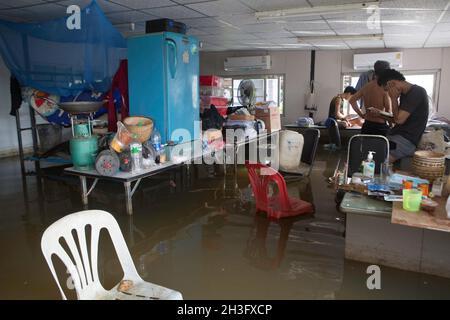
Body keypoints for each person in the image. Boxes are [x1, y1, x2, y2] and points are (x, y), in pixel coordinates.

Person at [374, 69, 429, 163]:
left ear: (391, 83)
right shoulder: (404, 94)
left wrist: (393, 98)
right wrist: (380, 114)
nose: (388, 93)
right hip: (397, 137)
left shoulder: (417, 92)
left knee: (376, 162)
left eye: (387, 90)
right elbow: (396, 118)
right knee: (370, 152)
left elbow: (399, 120)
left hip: (405, 141)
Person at [349, 60, 392, 136]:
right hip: (380, 127)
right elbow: (388, 111)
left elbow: (352, 100)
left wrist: (361, 115)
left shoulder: (366, 87)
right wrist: (391, 125)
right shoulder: (384, 88)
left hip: (367, 126)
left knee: (366, 148)